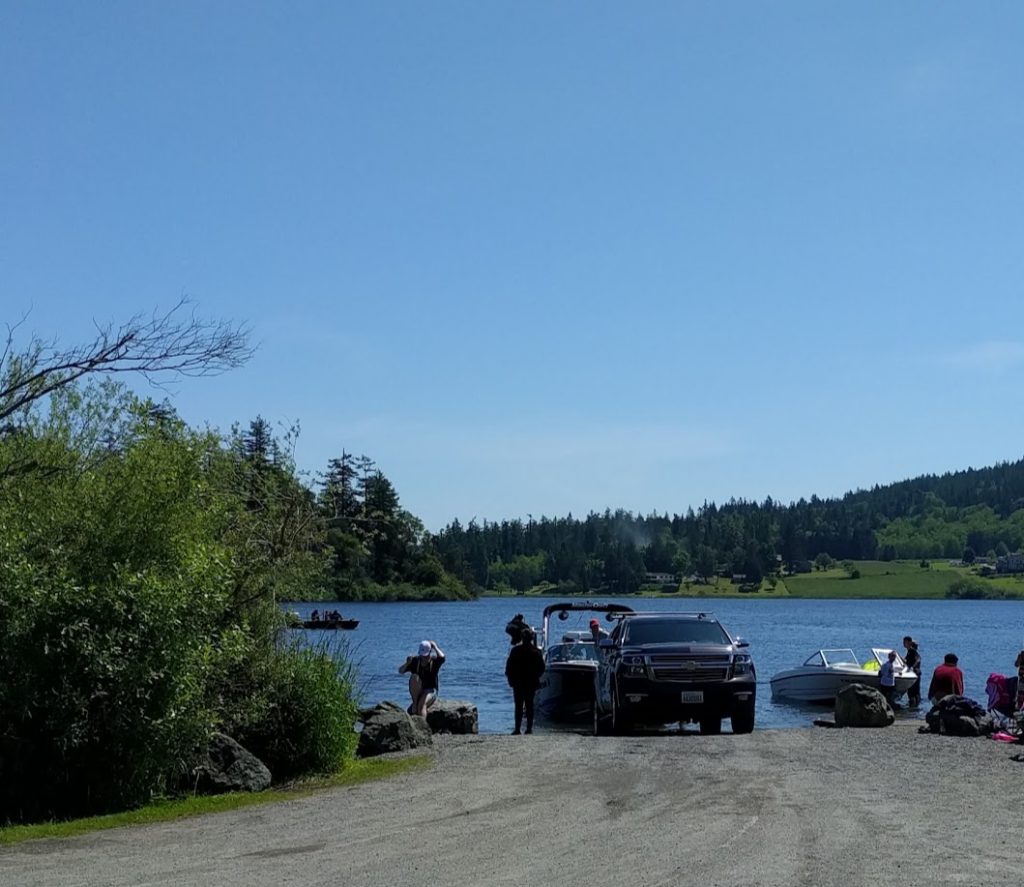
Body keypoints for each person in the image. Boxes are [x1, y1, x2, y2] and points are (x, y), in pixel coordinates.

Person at [505, 628, 546, 735]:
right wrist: (536, 677)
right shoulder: (536, 652)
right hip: (530, 683)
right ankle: (529, 728)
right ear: (532, 638)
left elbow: (509, 667)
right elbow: (542, 668)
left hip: (518, 682)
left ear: (522, 638)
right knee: (529, 705)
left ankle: (517, 728)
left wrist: (510, 679)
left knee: (519, 706)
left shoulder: (516, 651)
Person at [398, 640, 446, 717]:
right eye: (422, 655)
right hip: (419, 691)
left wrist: (435, 647)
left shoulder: (434, 662)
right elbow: (400, 671)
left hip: (430, 690)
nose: (424, 657)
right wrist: (407, 663)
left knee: (421, 705)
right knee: (414, 676)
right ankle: (415, 702)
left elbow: (442, 657)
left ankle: (422, 726)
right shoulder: (415, 661)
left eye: (426, 655)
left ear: (430, 652)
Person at [902, 636, 922, 707]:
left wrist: (913, 667)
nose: (903, 643)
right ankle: (914, 709)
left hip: (914, 672)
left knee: (912, 691)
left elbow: (918, 659)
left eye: (905, 642)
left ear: (909, 643)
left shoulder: (912, 651)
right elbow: (907, 661)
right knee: (914, 692)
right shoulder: (909, 652)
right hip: (915, 672)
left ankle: (913, 707)